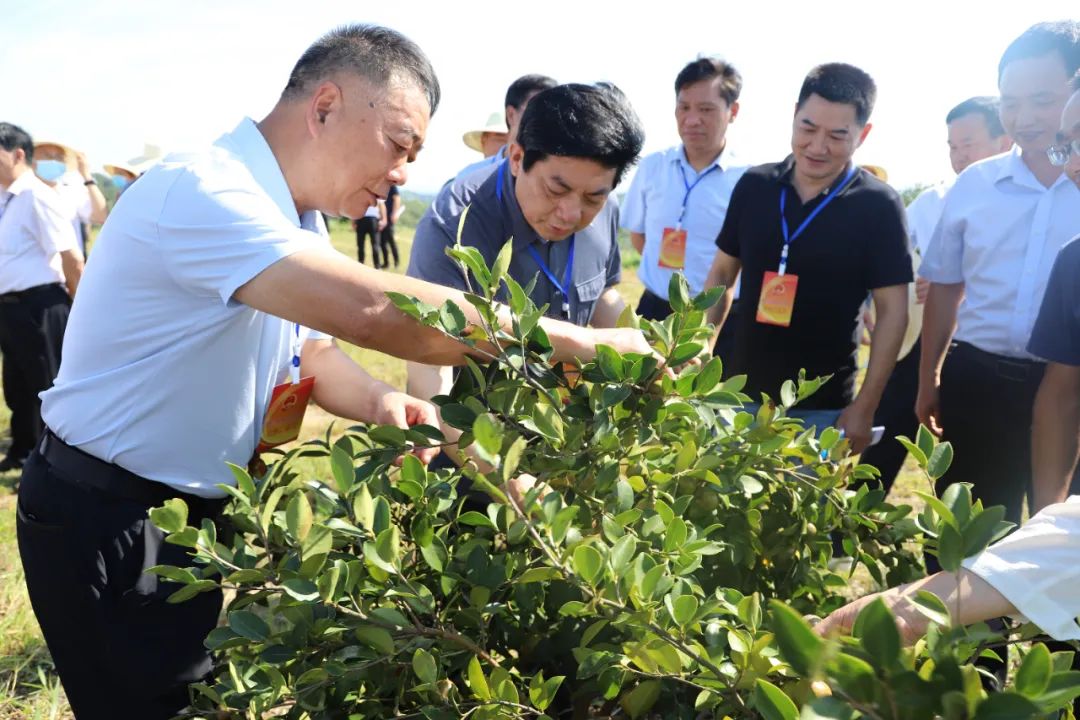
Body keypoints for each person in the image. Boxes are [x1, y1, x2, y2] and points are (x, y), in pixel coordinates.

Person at [17, 25, 653, 720]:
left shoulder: (297, 219)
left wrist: (385, 402)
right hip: (107, 511)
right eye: (399, 144)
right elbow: (373, 310)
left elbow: (311, 355)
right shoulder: (205, 192)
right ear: (325, 107)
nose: (405, 171)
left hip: (183, 517)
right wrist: (581, 344)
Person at [407, 83, 642, 465]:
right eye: (556, 188)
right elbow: (427, 359)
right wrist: (501, 475)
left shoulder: (606, 208)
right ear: (517, 158)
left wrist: (653, 350)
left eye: (592, 198)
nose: (571, 213)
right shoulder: (457, 221)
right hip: (471, 443)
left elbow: (600, 296)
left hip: (565, 437)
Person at [917, 21, 1080, 525]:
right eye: (1010, 101)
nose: (1024, 117)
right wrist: (929, 378)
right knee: (964, 540)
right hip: (981, 384)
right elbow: (944, 289)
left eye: (1042, 100)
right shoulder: (975, 185)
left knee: (1061, 546)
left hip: (1072, 390)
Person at [700, 63, 912, 451]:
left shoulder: (879, 206)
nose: (817, 147)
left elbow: (894, 312)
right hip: (736, 396)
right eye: (808, 128)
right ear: (794, 114)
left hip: (824, 411)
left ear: (863, 135)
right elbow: (721, 275)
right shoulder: (755, 186)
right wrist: (701, 348)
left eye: (837, 135)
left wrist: (867, 404)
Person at [859, 96, 1012, 491]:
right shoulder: (931, 202)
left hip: (979, 350)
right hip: (922, 341)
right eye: (952, 146)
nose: (959, 155)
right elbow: (892, 261)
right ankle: (853, 524)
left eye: (968, 143)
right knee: (888, 431)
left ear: (1004, 141)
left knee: (964, 461)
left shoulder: (1027, 203)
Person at [621, 57, 748, 368]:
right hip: (656, 309)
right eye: (684, 107)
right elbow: (638, 236)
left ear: (733, 112)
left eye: (706, 109)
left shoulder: (747, 179)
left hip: (718, 318)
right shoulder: (652, 167)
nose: (692, 119)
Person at [0, 123, 85, 472]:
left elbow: (70, 257)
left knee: (45, 386)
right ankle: (22, 451)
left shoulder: (37, 196)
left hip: (40, 305)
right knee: (18, 386)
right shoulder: (6, 198)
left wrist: (82, 311)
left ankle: (54, 463)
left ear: (17, 154)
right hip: (10, 308)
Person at [1030, 70, 1080, 513]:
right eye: (1068, 145)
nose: (1073, 165)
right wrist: (1047, 515)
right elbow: (1062, 393)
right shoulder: (1073, 262)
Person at [452, 74, 557, 181]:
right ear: (511, 115)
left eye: (553, 114)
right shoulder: (468, 180)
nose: (545, 120)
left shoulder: (561, 179)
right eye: (537, 112)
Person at [32, 140, 108, 255]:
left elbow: (100, 216)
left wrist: (87, 177)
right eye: (46, 155)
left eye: (59, 157)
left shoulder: (71, 190)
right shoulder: (20, 191)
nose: (53, 160)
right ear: (31, 160)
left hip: (70, 268)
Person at [354, 200, 384, 267]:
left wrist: (353, 221)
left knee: (361, 245)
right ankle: (377, 266)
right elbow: (381, 205)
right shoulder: (376, 191)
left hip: (362, 219)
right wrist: (384, 219)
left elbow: (355, 206)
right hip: (371, 220)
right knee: (374, 244)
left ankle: (361, 264)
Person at [380, 183, 402, 269]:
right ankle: (386, 263)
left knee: (391, 241)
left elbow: (397, 198)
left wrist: (395, 213)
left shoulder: (392, 186)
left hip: (390, 218)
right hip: (382, 218)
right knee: (382, 242)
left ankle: (396, 262)